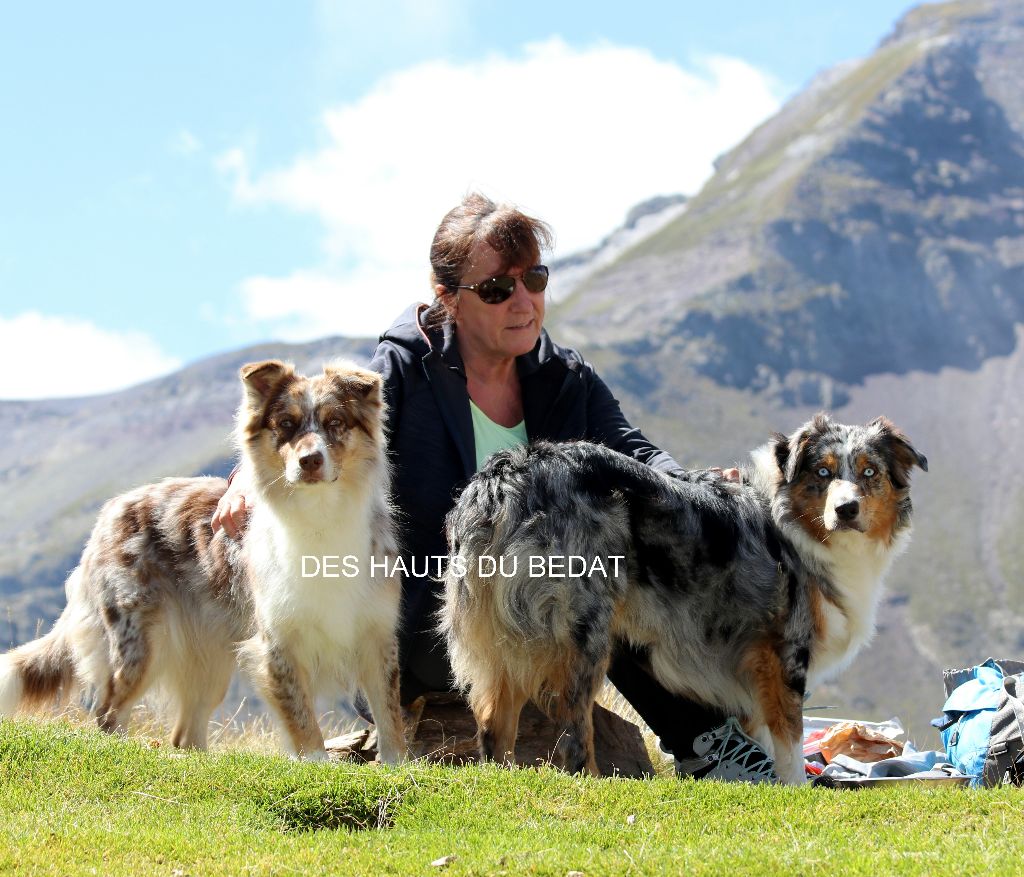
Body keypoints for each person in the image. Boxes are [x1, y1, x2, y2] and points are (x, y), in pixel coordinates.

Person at [213, 193, 776, 782]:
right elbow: (318, 423)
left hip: (539, 607)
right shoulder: (403, 367)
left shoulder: (564, 378)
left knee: (618, 563)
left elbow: (633, 452)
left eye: (534, 278)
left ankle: (707, 745)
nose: (524, 302)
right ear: (449, 298)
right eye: (497, 290)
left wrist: (696, 484)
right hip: (434, 608)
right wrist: (243, 480)